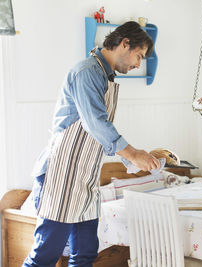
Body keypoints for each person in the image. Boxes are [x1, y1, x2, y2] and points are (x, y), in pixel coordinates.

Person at [23, 21, 160, 267]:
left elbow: (101, 136)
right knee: (43, 257)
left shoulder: (105, 76)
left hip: (85, 179)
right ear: (124, 43)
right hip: (61, 176)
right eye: (139, 56)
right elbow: (96, 124)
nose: (139, 64)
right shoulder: (87, 72)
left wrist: (131, 158)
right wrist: (133, 154)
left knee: (85, 255)